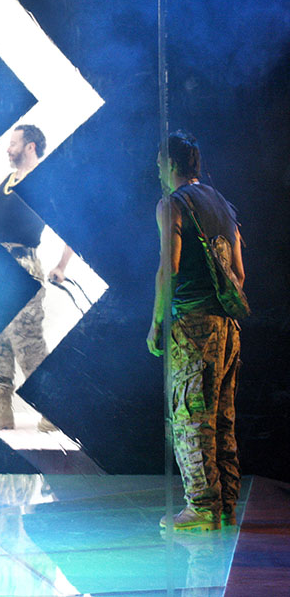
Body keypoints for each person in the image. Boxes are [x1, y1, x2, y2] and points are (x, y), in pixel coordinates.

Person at [148, 130, 244, 532]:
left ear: (170, 165)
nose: (156, 170)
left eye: (158, 163)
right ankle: (224, 504)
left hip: (193, 323)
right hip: (228, 324)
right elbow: (239, 274)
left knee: (190, 414)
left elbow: (168, 268)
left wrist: (157, 323)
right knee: (221, 415)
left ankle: (201, 507)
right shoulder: (222, 204)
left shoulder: (172, 204)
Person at [0, 124, 72, 431]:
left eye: (13, 143)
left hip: (23, 265)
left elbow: (74, 229)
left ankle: (51, 409)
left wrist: (62, 266)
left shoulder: (45, 184)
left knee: (27, 338)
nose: (7, 148)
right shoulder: (6, 183)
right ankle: (3, 410)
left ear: (30, 147)